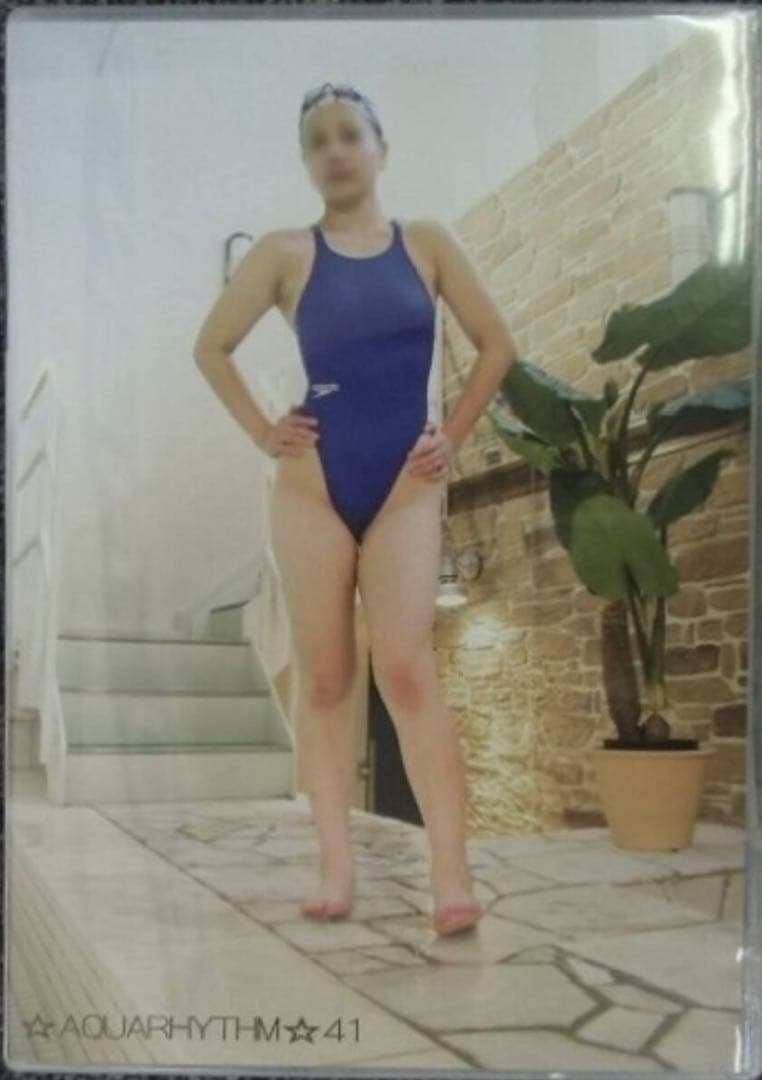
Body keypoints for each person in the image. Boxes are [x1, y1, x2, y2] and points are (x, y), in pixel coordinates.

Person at [193, 81, 516, 936]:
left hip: (407, 482)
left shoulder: (428, 242)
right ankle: (335, 869)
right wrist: (265, 431)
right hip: (312, 486)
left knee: (406, 669)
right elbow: (211, 346)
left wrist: (451, 434)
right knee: (328, 677)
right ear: (307, 161)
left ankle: (451, 872)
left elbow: (496, 345)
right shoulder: (285, 252)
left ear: (380, 148)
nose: (334, 151)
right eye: (317, 141)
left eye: (347, 134)